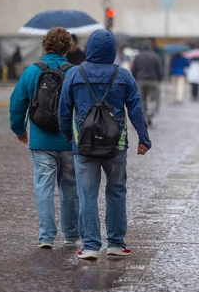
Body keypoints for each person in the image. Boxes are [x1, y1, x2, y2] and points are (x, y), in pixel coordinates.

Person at [58, 29, 151, 261]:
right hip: (116, 145)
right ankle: (116, 244)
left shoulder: (74, 74)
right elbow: (136, 110)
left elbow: (63, 110)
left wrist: (70, 136)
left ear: (89, 49)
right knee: (116, 191)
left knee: (87, 194)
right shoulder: (124, 76)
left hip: (84, 144)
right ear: (112, 51)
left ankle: (90, 246)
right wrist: (144, 138)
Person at [9, 27, 79, 249]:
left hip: (41, 141)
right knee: (70, 187)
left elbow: (17, 104)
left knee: (44, 186)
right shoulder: (75, 73)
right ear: (68, 48)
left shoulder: (32, 72)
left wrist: (20, 130)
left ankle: (46, 236)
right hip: (68, 140)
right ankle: (70, 235)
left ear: (45, 46)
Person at [131, 41, 163, 124]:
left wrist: (135, 79)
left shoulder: (138, 57)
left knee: (142, 100)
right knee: (153, 99)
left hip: (140, 80)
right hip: (153, 80)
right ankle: (150, 114)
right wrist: (159, 79)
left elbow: (133, 69)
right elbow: (159, 70)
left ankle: (144, 115)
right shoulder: (155, 56)